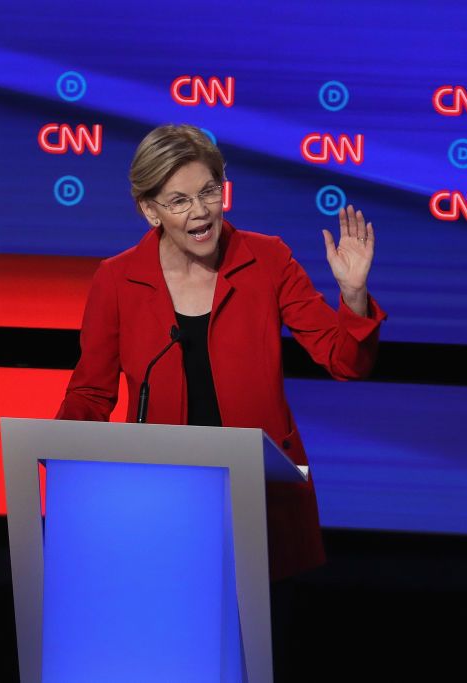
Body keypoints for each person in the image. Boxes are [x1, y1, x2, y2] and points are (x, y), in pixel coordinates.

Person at [56, 124, 386, 581]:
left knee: (269, 644)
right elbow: (91, 395)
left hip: (262, 499)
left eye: (209, 191)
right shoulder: (116, 281)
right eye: (179, 201)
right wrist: (63, 479)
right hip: (163, 503)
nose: (202, 211)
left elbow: (345, 361)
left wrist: (353, 296)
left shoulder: (267, 260)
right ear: (150, 211)